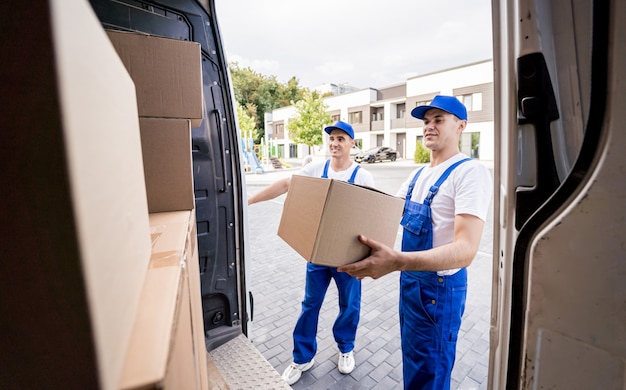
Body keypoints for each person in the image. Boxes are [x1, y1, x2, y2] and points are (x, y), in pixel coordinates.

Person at [338, 96, 493, 389]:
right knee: (415, 367)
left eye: (438, 120)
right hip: (411, 287)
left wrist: (397, 261)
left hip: (438, 294)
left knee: (429, 376)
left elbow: (466, 251)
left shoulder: (470, 172)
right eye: (425, 121)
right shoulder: (417, 175)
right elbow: (383, 215)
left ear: (461, 126)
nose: (429, 127)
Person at [248, 120, 375, 385]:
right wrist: (247, 200)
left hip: (349, 255)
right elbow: (285, 185)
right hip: (318, 253)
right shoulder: (317, 169)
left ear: (352, 143)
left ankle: (345, 348)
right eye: (331, 139)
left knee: (349, 305)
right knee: (309, 304)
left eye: (341, 139)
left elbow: (371, 215)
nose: (334, 143)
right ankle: (302, 357)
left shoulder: (362, 176)